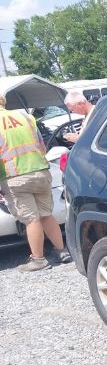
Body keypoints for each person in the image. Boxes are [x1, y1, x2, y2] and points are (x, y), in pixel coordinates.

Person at [0, 93, 72, 271]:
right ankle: (62, 251)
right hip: (41, 171)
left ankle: (39, 260)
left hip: (15, 176)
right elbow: (41, 145)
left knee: (31, 219)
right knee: (46, 214)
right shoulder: (25, 116)